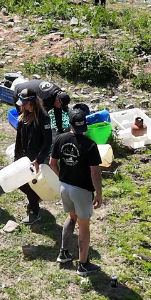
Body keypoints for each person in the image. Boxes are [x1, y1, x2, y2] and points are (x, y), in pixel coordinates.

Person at [49, 109, 103, 275]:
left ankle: (63, 253)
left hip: (65, 187)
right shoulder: (90, 145)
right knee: (84, 226)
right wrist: (99, 193)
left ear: (70, 124)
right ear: (85, 126)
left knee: (71, 217)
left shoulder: (60, 139)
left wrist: (62, 177)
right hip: (82, 190)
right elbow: (95, 172)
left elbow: (52, 163)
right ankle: (83, 264)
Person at [13, 87, 53, 225]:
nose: (23, 106)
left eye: (25, 103)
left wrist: (39, 159)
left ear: (32, 102)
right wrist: (16, 156)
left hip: (35, 158)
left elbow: (48, 141)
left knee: (30, 184)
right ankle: (35, 198)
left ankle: (35, 212)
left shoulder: (43, 117)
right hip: (23, 156)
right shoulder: (24, 114)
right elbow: (19, 137)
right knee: (20, 183)